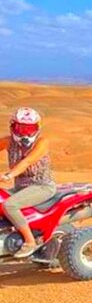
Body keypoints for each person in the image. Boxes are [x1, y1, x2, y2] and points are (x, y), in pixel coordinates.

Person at [0, 107, 56, 258]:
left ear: (37, 128)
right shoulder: (8, 141)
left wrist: (8, 175)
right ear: (13, 126)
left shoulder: (42, 142)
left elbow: (27, 161)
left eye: (29, 128)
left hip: (41, 186)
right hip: (21, 187)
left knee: (9, 205)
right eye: (21, 127)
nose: (25, 132)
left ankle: (30, 241)